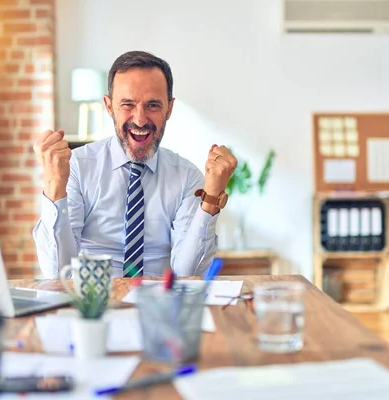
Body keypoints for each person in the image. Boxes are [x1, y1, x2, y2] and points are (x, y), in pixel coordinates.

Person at [32, 50, 237, 278]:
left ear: (169, 108)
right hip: (94, 301)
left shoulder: (187, 177)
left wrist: (211, 198)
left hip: (157, 304)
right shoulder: (78, 167)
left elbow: (187, 274)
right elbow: (57, 272)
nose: (140, 119)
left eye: (153, 105)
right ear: (109, 107)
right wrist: (54, 186)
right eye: (127, 104)